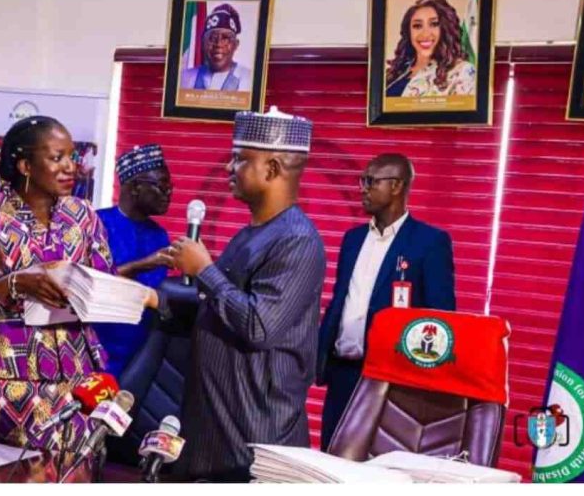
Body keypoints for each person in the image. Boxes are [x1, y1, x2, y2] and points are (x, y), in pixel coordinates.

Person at [0, 116, 148, 453]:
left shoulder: (83, 215)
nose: (70, 167)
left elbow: (102, 280)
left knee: (79, 470)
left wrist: (133, 295)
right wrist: (14, 284)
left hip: (80, 374)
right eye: (57, 157)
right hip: (14, 375)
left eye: (72, 156)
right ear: (25, 165)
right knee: (16, 473)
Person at [160, 107, 326, 481]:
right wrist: (155, 300)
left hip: (254, 436)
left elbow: (258, 325)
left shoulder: (297, 240)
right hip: (219, 431)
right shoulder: (254, 232)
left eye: (239, 159)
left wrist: (204, 269)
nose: (227, 168)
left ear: (271, 169)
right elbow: (222, 309)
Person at [316, 153, 456, 450]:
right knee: (332, 458)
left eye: (370, 181)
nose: (362, 188)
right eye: (362, 181)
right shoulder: (352, 238)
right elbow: (342, 300)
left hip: (392, 383)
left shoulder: (429, 243)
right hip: (343, 374)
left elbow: (440, 320)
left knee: (377, 467)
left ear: (396, 186)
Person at [95, 144, 173, 378]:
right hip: (97, 355)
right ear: (136, 187)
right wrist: (144, 263)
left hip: (139, 358)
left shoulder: (159, 235)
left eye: (170, 186)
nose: (169, 193)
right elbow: (90, 283)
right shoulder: (96, 224)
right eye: (162, 186)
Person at [385, 0, 476, 97]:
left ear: (445, 29)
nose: (425, 34)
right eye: (417, 26)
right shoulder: (395, 72)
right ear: (408, 32)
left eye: (434, 24)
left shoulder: (463, 72)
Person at [180, 3, 253, 92]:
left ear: (235, 45)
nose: (218, 44)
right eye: (212, 38)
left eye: (226, 38)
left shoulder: (249, 79)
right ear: (203, 43)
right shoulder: (184, 78)